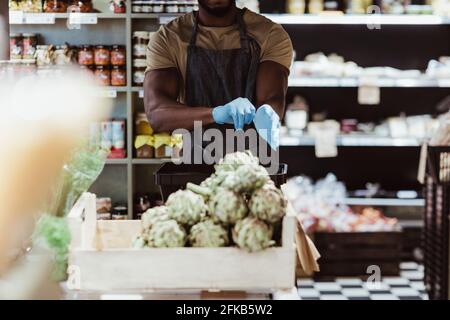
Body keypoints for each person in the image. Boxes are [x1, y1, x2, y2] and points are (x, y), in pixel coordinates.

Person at [144, 0, 293, 155]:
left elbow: (271, 99)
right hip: (194, 160)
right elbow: (157, 114)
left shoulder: (269, 35)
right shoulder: (169, 38)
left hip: (252, 163)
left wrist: (268, 111)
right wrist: (216, 113)